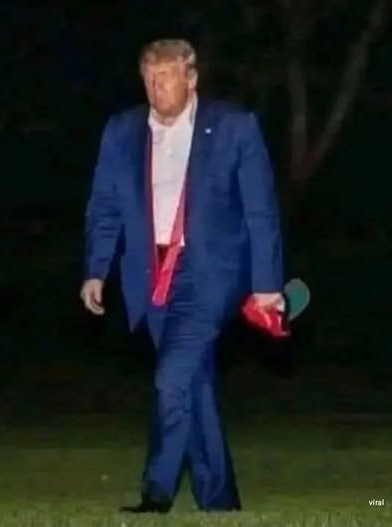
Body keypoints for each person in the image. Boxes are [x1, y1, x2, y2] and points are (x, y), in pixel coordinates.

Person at [80, 38, 284, 513]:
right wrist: (96, 269)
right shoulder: (122, 131)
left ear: (191, 79)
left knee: (171, 377)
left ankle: (157, 491)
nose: (157, 87)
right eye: (149, 78)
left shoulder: (234, 127)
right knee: (194, 384)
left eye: (167, 77)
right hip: (150, 274)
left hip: (209, 271)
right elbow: (104, 206)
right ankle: (219, 500)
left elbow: (261, 210)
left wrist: (267, 284)